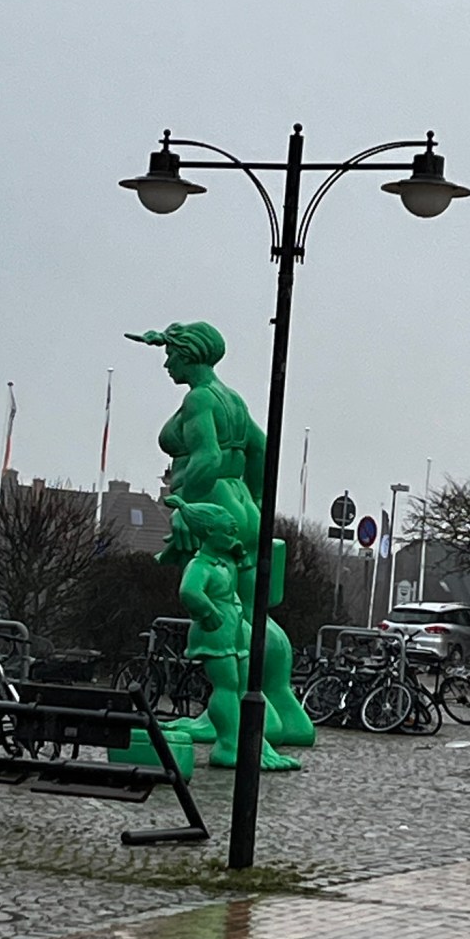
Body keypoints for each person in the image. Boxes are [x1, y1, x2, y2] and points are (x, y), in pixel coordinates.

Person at [127, 321, 314, 749]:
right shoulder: (232, 399)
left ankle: (241, 720)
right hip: (242, 506)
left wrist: (185, 507)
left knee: (224, 614)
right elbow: (261, 448)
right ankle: (283, 710)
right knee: (250, 612)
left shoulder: (199, 398)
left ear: (188, 355)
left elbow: (208, 456)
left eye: (170, 356)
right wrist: (255, 499)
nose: (167, 364)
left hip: (214, 505)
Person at [166, 496, 299, 771]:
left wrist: (237, 553)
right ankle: (228, 745)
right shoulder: (201, 565)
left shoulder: (224, 561)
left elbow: (233, 577)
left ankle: (253, 744)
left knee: (243, 686)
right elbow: (189, 591)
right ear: (209, 532)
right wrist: (208, 611)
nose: (233, 537)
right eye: (228, 532)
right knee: (226, 686)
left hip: (233, 630)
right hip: (215, 632)